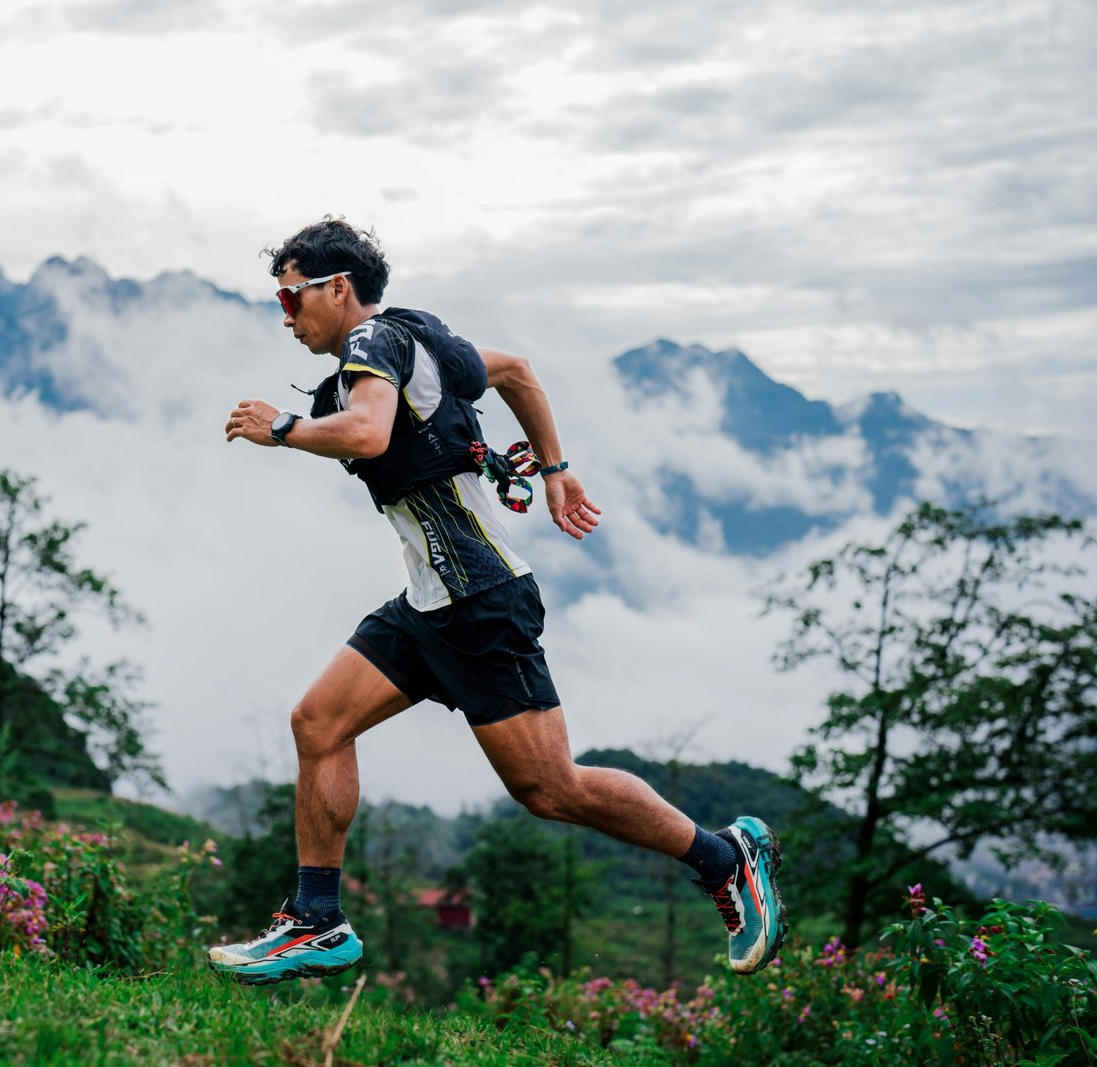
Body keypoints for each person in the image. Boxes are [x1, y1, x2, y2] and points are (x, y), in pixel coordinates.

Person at [212, 217, 786, 986]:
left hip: (479, 602)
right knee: (318, 721)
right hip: (430, 604)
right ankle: (317, 921)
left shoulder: (372, 345)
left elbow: (371, 434)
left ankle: (726, 857)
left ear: (336, 289)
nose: (286, 315)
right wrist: (557, 468)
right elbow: (515, 370)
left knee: (554, 789)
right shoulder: (419, 340)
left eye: (291, 297)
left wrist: (283, 427)